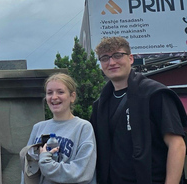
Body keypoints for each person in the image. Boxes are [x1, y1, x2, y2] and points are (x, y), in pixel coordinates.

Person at [91, 36, 187, 184]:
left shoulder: (155, 94)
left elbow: (177, 145)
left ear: (130, 58)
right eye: (105, 58)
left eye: (117, 55)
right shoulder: (100, 106)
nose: (111, 62)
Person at [20, 73, 97, 184]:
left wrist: (47, 163)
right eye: (49, 93)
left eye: (60, 92)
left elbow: (82, 173)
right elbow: (27, 171)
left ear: (72, 97)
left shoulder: (83, 128)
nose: (54, 97)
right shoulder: (38, 128)